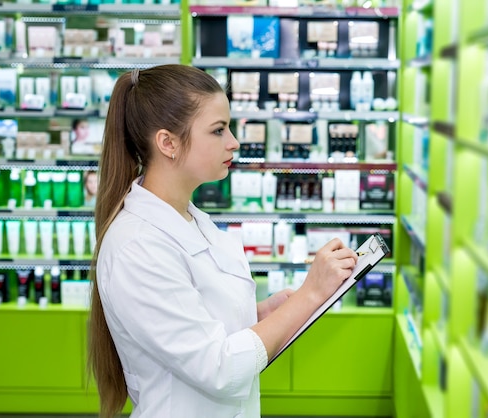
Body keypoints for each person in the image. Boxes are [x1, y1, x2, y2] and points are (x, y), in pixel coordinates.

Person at [87, 64, 358, 418]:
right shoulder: (136, 246)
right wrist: (309, 295)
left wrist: (260, 314)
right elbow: (219, 368)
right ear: (168, 143)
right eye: (218, 130)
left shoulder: (192, 219)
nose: (234, 142)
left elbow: (197, 324)